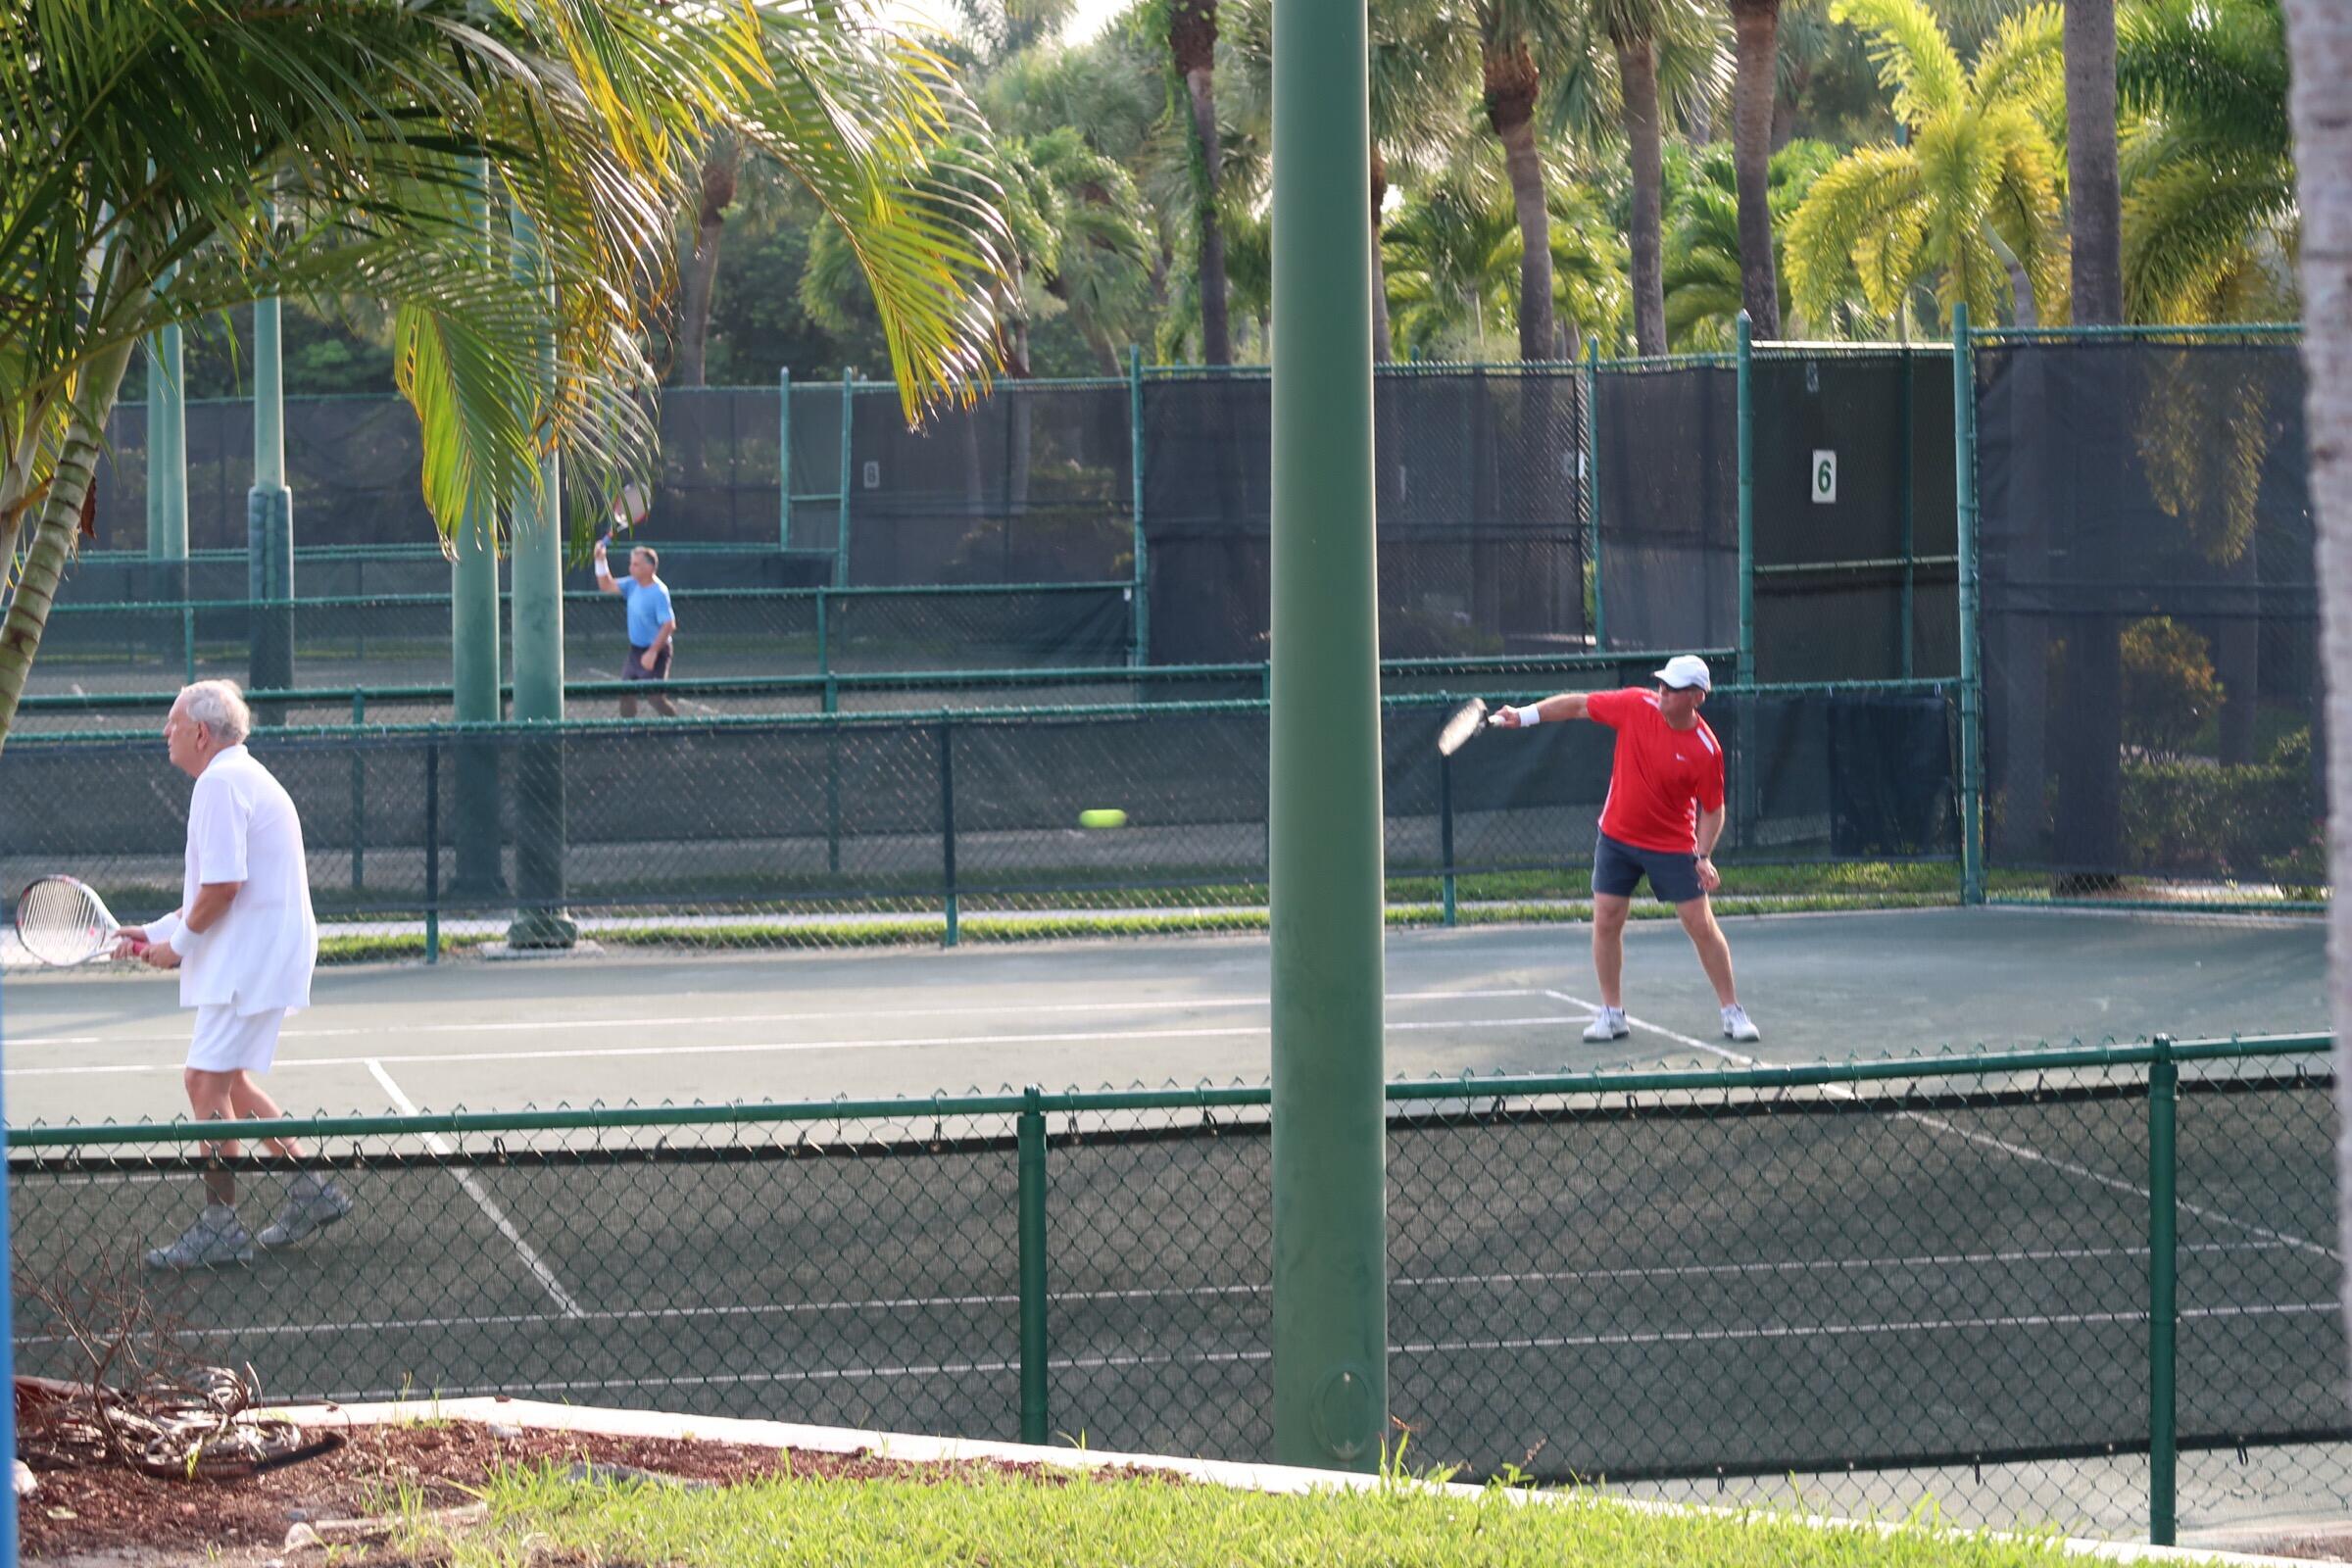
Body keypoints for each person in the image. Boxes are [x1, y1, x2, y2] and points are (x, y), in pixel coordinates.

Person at [118, 680, 351, 1268]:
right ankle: (312, 1189)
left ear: (200, 732)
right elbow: (207, 892)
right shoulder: (236, 777)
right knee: (230, 1083)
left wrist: (178, 948)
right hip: (263, 951)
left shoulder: (220, 784)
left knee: (203, 1081)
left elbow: (224, 889)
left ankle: (221, 1227)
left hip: (256, 956)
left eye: (172, 722)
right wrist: (156, 933)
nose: (164, 733)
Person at [1494, 654, 1762, 1046]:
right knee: (1606, 919)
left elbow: (1713, 809)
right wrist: (1524, 715)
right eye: (1663, 684)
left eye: (1673, 688)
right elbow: (1580, 704)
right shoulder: (1637, 705)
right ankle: (1612, 1014)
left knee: (1700, 925)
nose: (1663, 692)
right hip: (1617, 837)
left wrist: (1702, 856)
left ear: (1696, 697)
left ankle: (1731, 1011)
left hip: (1672, 844)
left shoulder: (1707, 750)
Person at [595, 533, 678, 717]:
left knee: (655, 698)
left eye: (636, 564)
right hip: (636, 650)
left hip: (657, 651)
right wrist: (601, 560)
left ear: (649, 568)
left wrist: (653, 652)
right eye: (631, 563)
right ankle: (628, 733)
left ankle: (678, 730)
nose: (631, 567)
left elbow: (669, 625)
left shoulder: (659, 592)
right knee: (626, 693)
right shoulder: (632, 584)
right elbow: (605, 585)